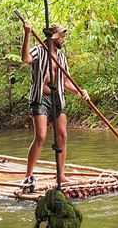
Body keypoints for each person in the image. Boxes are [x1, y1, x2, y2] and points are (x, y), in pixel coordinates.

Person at [21, 21, 89, 184]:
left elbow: (65, 82)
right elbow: (25, 58)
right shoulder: (39, 51)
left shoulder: (61, 58)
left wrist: (80, 92)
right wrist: (27, 33)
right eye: (62, 36)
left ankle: (60, 174)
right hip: (40, 99)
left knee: (62, 136)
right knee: (41, 136)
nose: (64, 39)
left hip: (57, 99)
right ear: (53, 37)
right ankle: (28, 175)